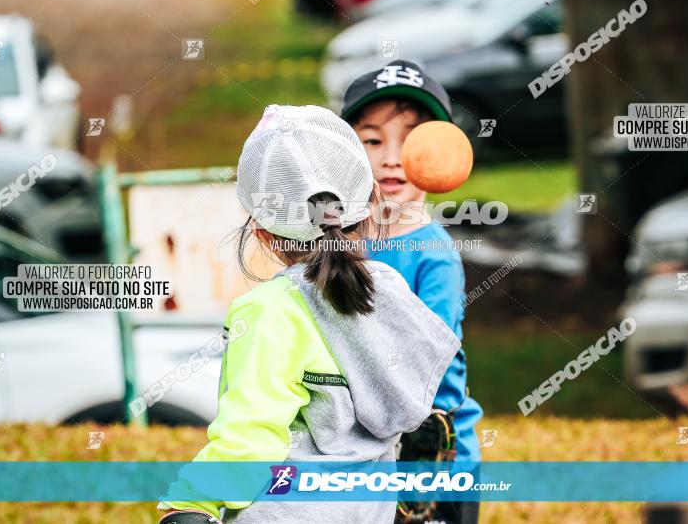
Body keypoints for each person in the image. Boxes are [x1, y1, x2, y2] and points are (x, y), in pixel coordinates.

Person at [157, 104, 461, 523]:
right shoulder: (389, 291)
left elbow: (251, 434)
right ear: (371, 200)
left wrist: (193, 503)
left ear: (261, 232)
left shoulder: (270, 310)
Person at [341, 60, 484, 523]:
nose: (392, 157)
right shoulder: (335, 247)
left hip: (431, 456)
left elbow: (430, 362)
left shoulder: (433, 254)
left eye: (411, 140)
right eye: (373, 140)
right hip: (361, 452)